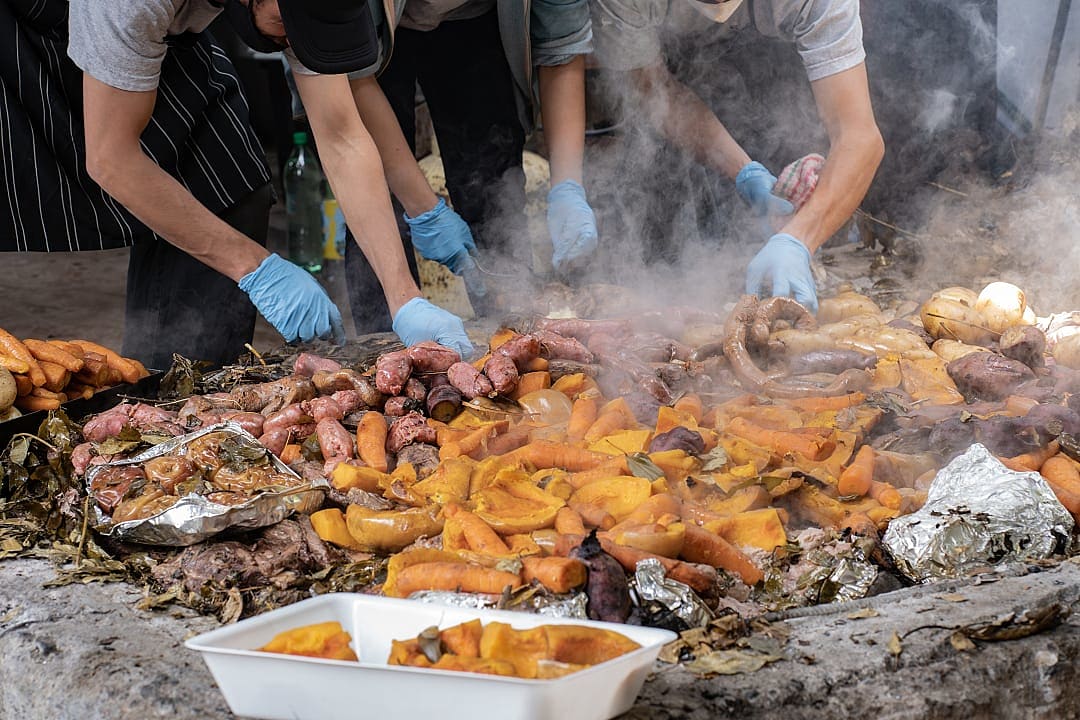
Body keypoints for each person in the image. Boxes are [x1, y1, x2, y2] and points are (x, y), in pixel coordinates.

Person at [0, 0, 472, 370]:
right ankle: (159, 405)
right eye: (287, 27)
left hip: (168, 32)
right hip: (31, 40)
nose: (293, 39)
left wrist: (405, 297)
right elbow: (111, 160)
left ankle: (196, 394)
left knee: (234, 185)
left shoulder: (296, 9)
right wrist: (257, 268)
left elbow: (343, 135)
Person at [588, 0, 885, 312]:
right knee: (664, 280)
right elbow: (652, 92)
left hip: (782, 90)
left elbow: (859, 135)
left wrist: (799, 239)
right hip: (673, 119)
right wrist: (745, 171)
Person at [325, 0, 596, 333]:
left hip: (476, 23)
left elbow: (562, 42)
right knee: (376, 196)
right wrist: (424, 209)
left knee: (495, 194)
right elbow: (350, 87)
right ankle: (385, 347)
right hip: (368, 39)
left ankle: (516, 335)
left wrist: (568, 186)